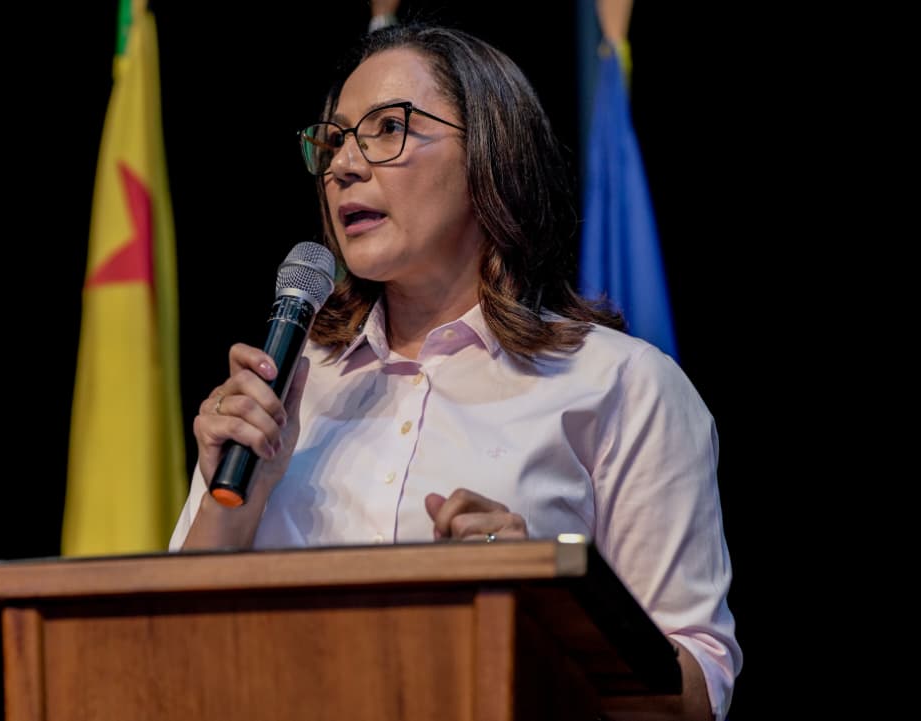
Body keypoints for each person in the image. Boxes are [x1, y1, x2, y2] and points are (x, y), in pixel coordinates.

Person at [169, 24, 739, 721]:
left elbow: (698, 690)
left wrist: (548, 601)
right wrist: (239, 500)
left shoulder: (623, 385)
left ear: (490, 154)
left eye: (388, 128)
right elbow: (170, 652)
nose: (344, 164)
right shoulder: (283, 385)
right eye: (335, 140)